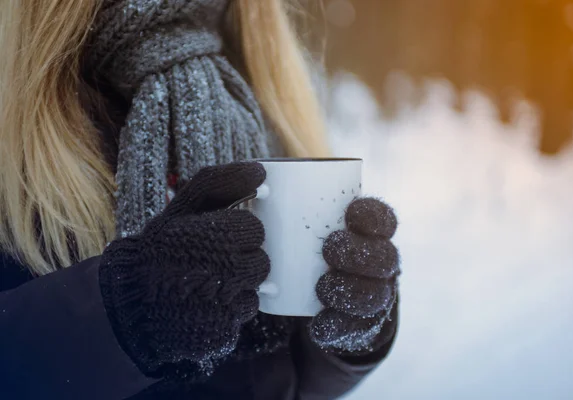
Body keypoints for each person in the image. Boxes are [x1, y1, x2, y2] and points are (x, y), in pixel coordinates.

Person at [0, 1, 401, 399]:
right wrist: (127, 315)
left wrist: (350, 325)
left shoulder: (254, 68)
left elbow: (287, 381)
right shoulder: (17, 100)